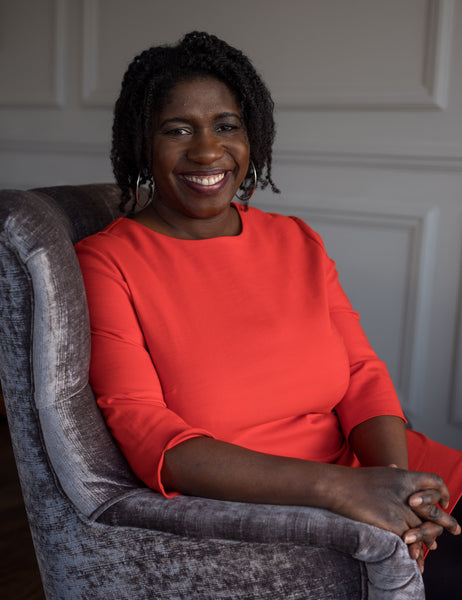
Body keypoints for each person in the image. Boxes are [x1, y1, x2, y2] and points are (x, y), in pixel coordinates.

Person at [76, 31, 462, 593]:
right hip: (290, 508)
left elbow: (362, 375)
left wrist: (398, 483)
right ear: (141, 143)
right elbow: (154, 441)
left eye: (226, 126)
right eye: (177, 129)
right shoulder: (108, 262)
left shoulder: (294, 239)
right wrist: (344, 489)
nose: (207, 151)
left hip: (383, 470)